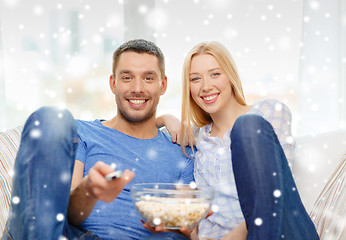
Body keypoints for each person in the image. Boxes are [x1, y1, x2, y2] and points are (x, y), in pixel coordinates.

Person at [2, 39, 195, 240]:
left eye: (148, 78)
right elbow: (67, 215)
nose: (137, 88)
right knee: (52, 118)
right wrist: (89, 191)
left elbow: (188, 227)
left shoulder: (181, 152)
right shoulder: (83, 133)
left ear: (162, 85)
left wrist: (179, 226)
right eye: (127, 77)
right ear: (113, 83)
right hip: (67, 235)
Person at [160, 41, 320, 240]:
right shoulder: (196, 138)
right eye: (195, 79)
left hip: (283, 231)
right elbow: (138, 128)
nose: (206, 86)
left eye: (215, 74)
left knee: (247, 126)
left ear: (230, 76)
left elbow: (275, 190)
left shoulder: (267, 112)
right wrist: (165, 118)